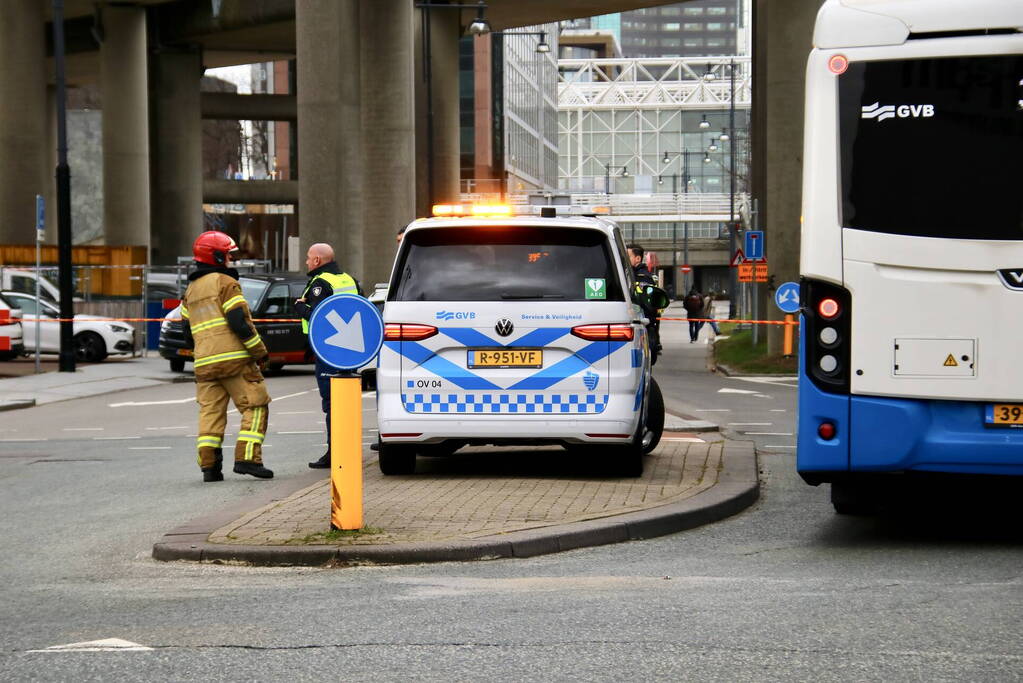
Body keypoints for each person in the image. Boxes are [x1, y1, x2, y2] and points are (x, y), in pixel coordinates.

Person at [182, 231, 273, 482]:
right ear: (217, 256)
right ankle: (248, 459)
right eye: (229, 255)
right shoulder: (225, 283)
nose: (231, 260)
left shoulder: (190, 290)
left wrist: (202, 350)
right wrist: (259, 351)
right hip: (235, 360)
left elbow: (185, 331)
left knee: (210, 414)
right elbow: (239, 321)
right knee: (255, 406)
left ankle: (210, 468)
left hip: (204, 363)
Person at [294, 243, 362, 469]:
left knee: (331, 404)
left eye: (307, 258)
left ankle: (335, 453)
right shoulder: (349, 279)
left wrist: (299, 307)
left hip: (328, 351)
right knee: (347, 403)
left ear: (316, 261)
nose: (306, 262)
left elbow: (320, 317)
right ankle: (349, 449)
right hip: (350, 351)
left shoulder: (320, 283)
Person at [628, 244, 661, 363]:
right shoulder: (631, 274)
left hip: (644, 324)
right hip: (640, 323)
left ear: (638, 258)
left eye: (628, 256)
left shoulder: (642, 277)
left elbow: (646, 303)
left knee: (643, 362)